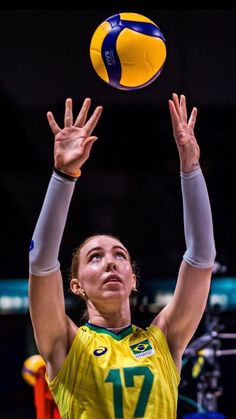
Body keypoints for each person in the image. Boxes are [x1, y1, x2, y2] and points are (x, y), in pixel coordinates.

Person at [29, 94, 216, 419]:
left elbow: (201, 256)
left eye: (119, 255)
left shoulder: (165, 340)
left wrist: (191, 168)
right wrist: (63, 175)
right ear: (76, 286)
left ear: (133, 279)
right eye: (95, 258)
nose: (111, 262)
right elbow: (40, 263)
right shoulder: (66, 343)